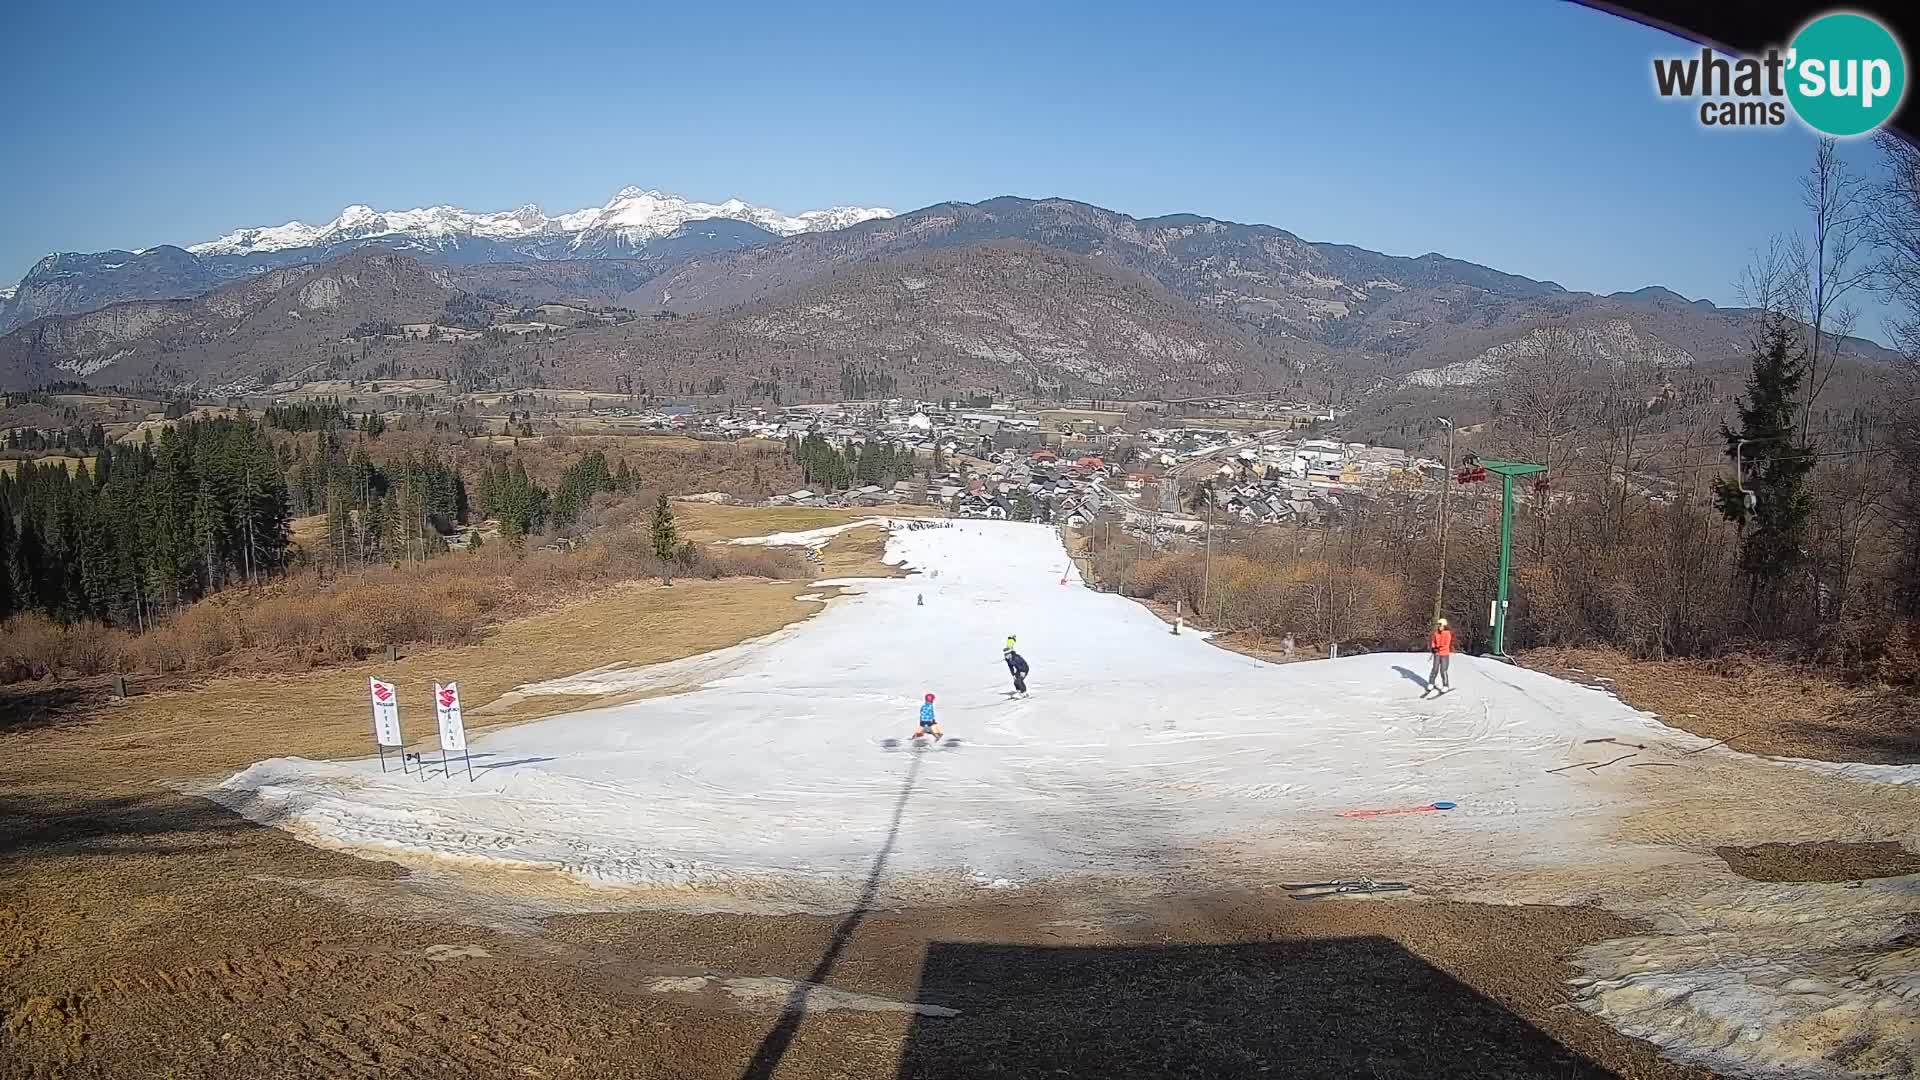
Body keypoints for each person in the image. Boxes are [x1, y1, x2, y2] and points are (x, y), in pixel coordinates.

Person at [1426, 618, 1453, 694]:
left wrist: (1438, 648)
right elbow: (1433, 642)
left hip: (1444, 654)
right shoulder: (1436, 633)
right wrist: (1433, 648)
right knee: (1435, 669)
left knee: (1443, 670)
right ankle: (1431, 683)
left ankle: (1445, 685)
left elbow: (1446, 645)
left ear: (1444, 625)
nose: (1439, 626)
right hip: (1437, 654)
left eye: (1440, 625)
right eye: (1438, 625)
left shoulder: (1447, 634)